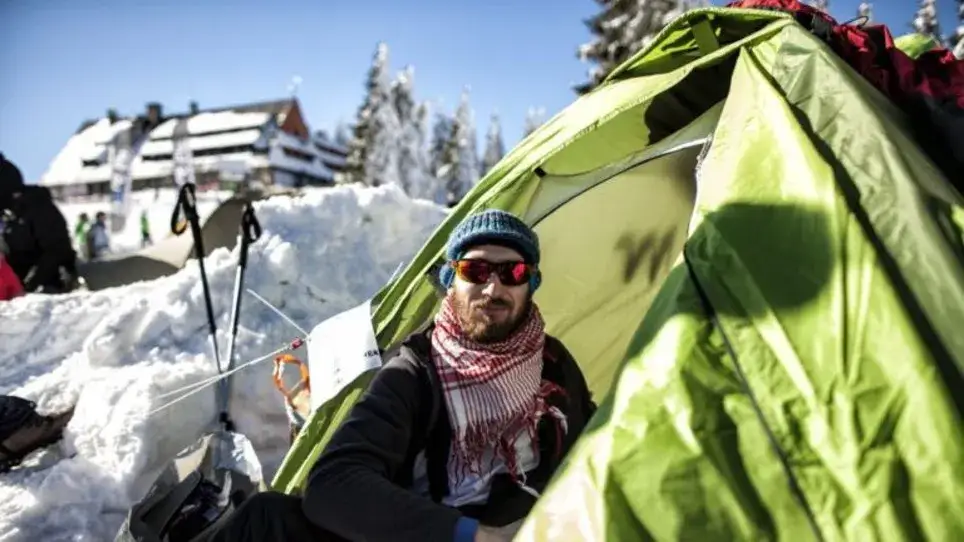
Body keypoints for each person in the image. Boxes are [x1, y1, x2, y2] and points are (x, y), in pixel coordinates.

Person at [207, 209, 597, 542]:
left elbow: (597, 445)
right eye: (475, 270)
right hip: (442, 532)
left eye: (512, 271)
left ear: (531, 284)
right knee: (264, 518)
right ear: (450, 282)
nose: (492, 287)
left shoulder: (553, 363)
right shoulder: (418, 369)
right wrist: (470, 536)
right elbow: (333, 484)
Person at [0, 153, 79, 294]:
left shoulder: (36, 206)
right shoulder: (8, 216)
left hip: (50, 290)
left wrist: (28, 285)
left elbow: (57, 250)